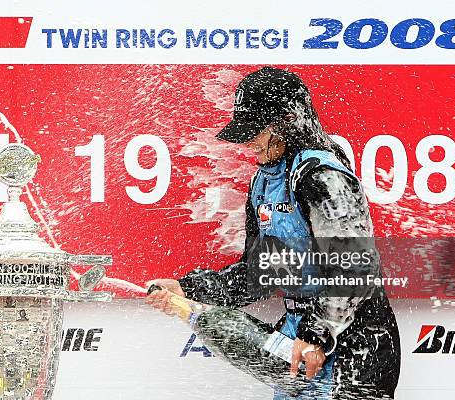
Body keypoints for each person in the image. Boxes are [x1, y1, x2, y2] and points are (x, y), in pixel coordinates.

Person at [146, 66, 400, 399]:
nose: (249, 141)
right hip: (301, 339)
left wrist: (317, 334)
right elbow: (258, 274)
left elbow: (353, 268)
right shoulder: (264, 184)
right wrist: (188, 288)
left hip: (354, 346)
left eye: (257, 130)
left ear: (288, 121)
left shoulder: (322, 176)